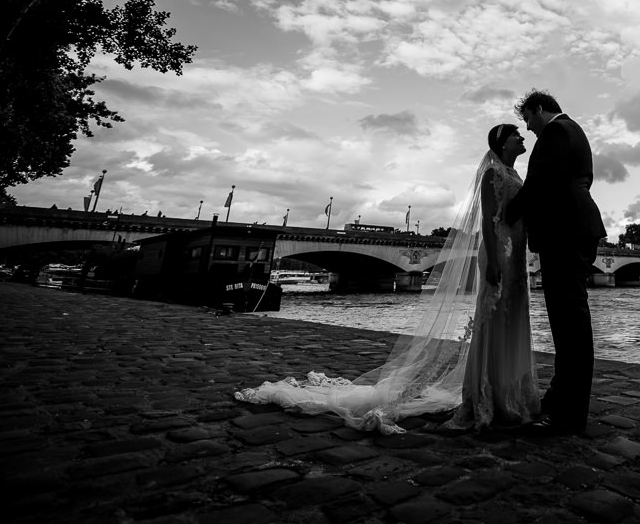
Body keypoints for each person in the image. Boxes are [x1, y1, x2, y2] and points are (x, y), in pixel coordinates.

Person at [234, 125, 539, 434]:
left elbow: (515, 213)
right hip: (499, 253)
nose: (522, 138)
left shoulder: (515, 175)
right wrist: (494, 261)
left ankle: (509, 391)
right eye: (516, 134)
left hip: (515, 254)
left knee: (512, 321)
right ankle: (488, 394)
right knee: (495, 323)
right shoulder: (492, 175)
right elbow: (489, 218)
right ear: (502, 144)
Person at [505, 89, 606, 435]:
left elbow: (541, 182)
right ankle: (560, 400)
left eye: (528, 120)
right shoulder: (573, 132)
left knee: (569, 326)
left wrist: (509, 211)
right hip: (574, 229)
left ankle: (568, 415)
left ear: (539, 109)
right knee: (567, 324)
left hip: (566, 233)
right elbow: (577, 182)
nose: (529, 130)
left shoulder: (558, 132)